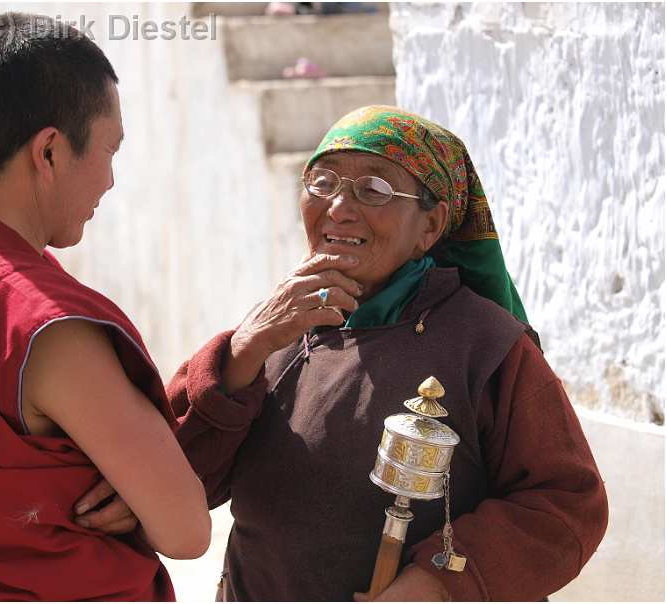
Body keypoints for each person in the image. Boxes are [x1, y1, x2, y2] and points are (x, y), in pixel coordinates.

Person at [81, 105, 609, 600]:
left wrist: (437, 582)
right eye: (323, 182)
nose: (338, 207)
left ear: (431, 225)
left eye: (375, 189)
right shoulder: (279, 328)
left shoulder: (487, 346)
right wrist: (244, 350)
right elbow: (187, 477)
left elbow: (565, 502)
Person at [0, 13, 210, 601]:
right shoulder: (40, 328)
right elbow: (185, 531)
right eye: (109, 150)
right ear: (48, 152)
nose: (109, 180)